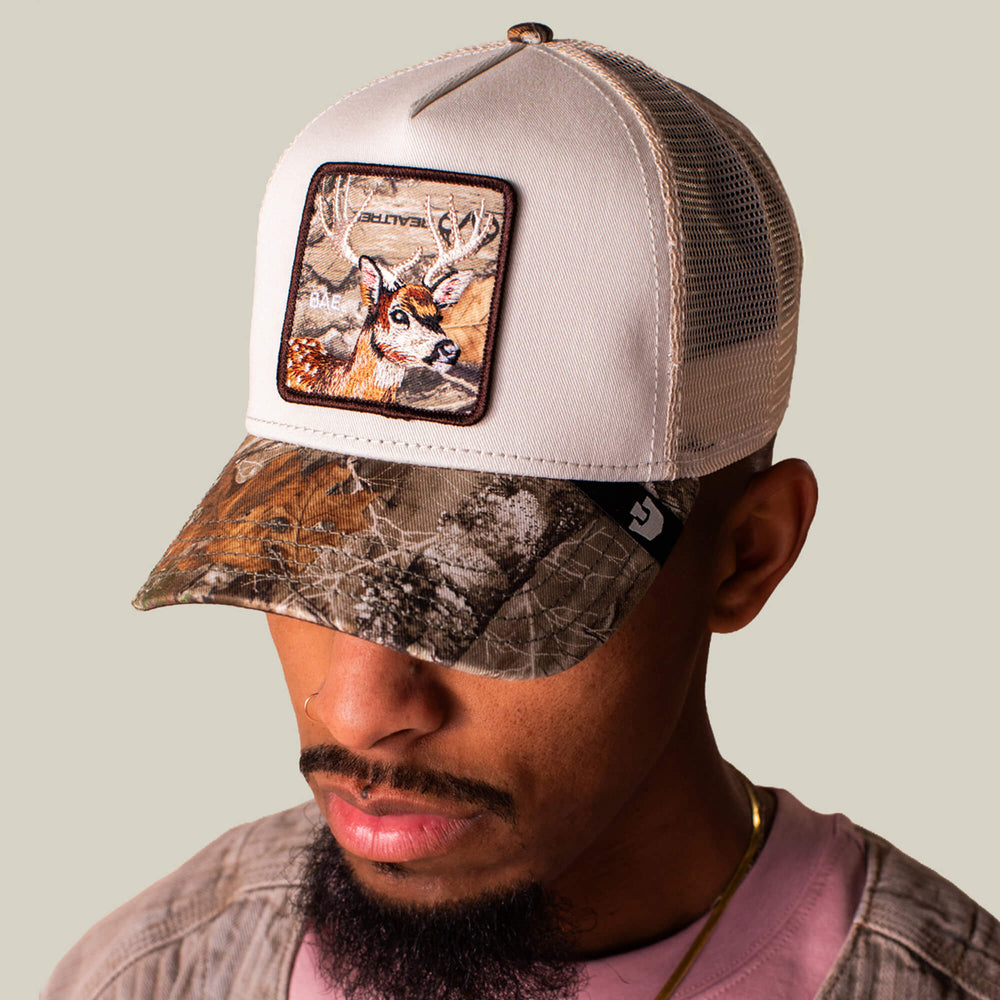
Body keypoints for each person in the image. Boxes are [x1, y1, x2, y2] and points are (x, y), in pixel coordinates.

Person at [44, 21, 1000, 1000]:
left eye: (483, 588)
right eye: (305, 559)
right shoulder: (149, 976)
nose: (356, 711)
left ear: (746, 554)